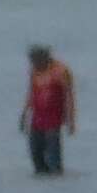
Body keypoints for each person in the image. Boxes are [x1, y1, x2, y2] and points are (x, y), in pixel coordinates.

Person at [22, 46, 76, 178]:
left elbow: (69, 97)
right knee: (35, 153)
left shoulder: (61, 71)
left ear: (45, 58)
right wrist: (24, 115)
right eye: (32, 61)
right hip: (37, 117)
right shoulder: (34, 71)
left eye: (36, 60)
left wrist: (71, 121)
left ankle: (57, 179)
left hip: (54, 118)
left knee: (53, 157)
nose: (34, 64)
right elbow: (31, 94)